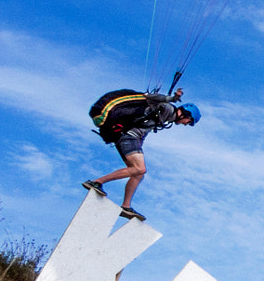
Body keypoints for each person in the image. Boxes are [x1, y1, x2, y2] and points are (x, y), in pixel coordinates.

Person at [84, 90, 200, 221]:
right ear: (186, 115)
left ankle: (126, 206)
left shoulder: (167, 117)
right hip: (128, 137)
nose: (186, 124)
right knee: (140, 168)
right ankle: (97, 182)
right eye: (189, 121)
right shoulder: (167, 108)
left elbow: (144, 128)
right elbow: (150, 98)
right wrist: (172, 98)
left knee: (138, 174)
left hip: (130, 138)